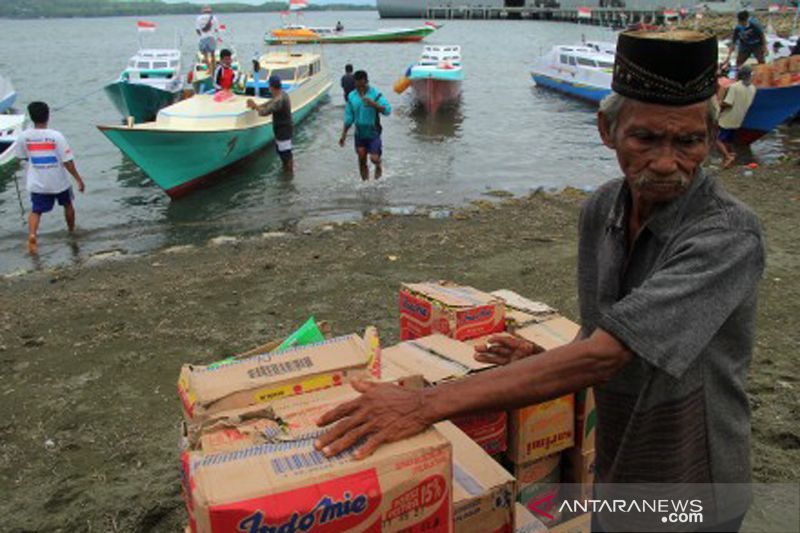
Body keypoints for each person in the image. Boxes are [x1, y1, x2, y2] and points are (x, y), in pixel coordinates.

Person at [318, 30, 764, 533]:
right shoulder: (601, 211)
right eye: (645, 138)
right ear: (606, 130)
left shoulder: (727, 234)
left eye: (689, 142)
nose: (666, 162)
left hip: (693, 479)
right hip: (619, 465)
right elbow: (601, 333)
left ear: (709, 137)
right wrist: (543, 361)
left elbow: (607, 354)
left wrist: (422, 405)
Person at [15, 102, 86, 255]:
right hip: (58, 181)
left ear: (31, 117)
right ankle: (71, 232)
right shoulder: (56, 136)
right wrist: (78, 179)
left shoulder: (23, 136)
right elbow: (67, 161)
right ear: (48, 115)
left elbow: (22, 157)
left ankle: (32, 235)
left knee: (36, 211)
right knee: (68, 205)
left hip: (37, 182)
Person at [339, 70, 392, 181]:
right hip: (359, 133)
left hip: (373, 132)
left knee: (374, 158)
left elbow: (387, 110)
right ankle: (365, 184)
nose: (360, 89)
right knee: (361, 157)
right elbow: (349, 118)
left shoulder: (375, 94)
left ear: (366, 82)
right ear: (355, 83)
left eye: (362, 86)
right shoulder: (352, 96)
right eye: (358, 86)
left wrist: (374, 104)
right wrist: (343, 135)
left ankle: (378, 165)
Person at [247, 75, 293, 173]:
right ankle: (287, 172)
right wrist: (259, 105)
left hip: (283, 130)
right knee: (283, 152)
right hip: (284, 129)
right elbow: (271, 102)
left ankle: (288, 173)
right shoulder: (283, 94)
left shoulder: (279, 100)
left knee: (285, 154)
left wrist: (255, 106)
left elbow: (264, 112)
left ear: (271, 87)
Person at [717, 66, 756, 168]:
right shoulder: (753, 88)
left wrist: (718, 104)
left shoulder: (734, 87)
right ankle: (732, 156)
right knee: (729, 139)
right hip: (740, 119)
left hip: (728, 118)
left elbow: (728, 103)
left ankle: (727, 157)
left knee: (716, 139)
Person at [195, 5, 219, 71]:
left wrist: (201, 35)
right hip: (211, 37)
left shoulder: (198, 18)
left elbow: (197, 29)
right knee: (212, 54)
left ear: (203, 11)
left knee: (205, 55)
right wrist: (212, 32)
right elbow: (216, 29)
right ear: (210, 11)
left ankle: (209, 69)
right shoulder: (214, 17)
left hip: (203, 38)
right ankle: (214, 69)